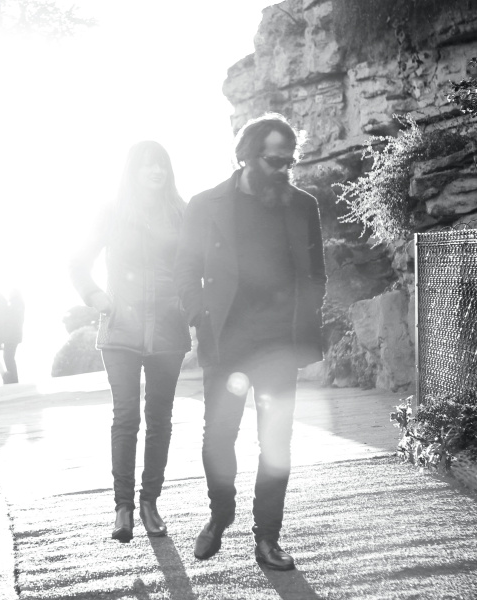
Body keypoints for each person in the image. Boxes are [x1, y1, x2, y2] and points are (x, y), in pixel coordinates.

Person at [173, 113, 326, 570]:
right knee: (219, 437)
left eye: (289, 161)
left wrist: (306, 316)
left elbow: (316, 273)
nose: (283, 169)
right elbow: (185, 269)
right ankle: (221, 512)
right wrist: (199, 316)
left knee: (276, 440)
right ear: (246, 156)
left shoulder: (302, 205)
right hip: (227, 341)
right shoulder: (205, 204)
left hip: (279, 343)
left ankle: (268, 538)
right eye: (274, 160)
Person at [70, 141, 191, 543]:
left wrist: (187, 303)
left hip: (169, 331)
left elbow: (196, 265)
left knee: (160, 418)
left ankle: (149, 502)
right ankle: (122, 507)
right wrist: (96, 297)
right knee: (126, 417)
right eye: (147, 165)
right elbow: (77, 262)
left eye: (162, 165)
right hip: (121, 330)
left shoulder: (181, 212)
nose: (156, 171)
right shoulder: (112, 212)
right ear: (133, 171)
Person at [2, 288, 25, 384]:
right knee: (9, 357)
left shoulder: (15, 304)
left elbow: (11, 320)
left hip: (11, 335)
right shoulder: (18, 304)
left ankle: (13, 379)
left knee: (8, 357)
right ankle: (13, 378)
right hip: (14, 335)